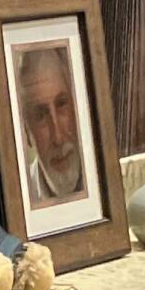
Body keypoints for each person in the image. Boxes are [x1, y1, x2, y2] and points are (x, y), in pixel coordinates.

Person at [16, 44, 88, 206]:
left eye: (62, 104)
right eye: (40, 115)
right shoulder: (19, 204)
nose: (58, 138)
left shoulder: (106, 180)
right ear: (26, 132)